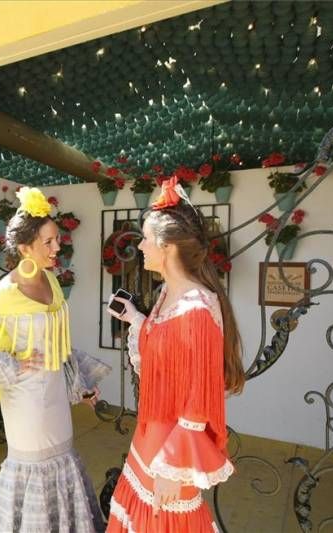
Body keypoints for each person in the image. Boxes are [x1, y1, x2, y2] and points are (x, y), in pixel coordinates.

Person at [0, 187, 111, 533]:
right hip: (25, 404)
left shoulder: (53, 283)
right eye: (48, 242)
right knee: (34, 470)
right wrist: (12, 364)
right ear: (25, 247)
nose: (57, 248)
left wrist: (83, 388)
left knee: (63, 460)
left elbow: (60, 344)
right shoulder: (3, 295)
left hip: (56, 398)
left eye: (57, 240)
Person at [106, 177, 245, 532]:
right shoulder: (167, 294)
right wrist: (137, 318)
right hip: (151, 433)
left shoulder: (197, 306)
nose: (141, 246)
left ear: (167, 247)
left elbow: (198, 398)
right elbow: (161, 356)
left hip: (172, 448)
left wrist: (175, 466)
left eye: (147, 239)